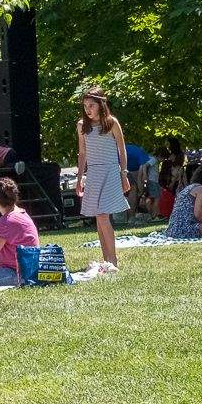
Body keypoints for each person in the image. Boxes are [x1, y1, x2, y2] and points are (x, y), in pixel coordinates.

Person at [75, 88, 132, 270]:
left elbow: (121, 150)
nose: (88, 109)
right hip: (93, 173)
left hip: (110, 172)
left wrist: (124, 174)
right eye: (85, 106)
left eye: (91, 105)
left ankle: (113, 260)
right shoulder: (82, 125)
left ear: (101, 104)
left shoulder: (111, 123)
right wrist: (79, 178)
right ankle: (106, 259)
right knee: (99, 218)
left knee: (102, 215)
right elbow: (82, 153)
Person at [124, 140, 158, 210]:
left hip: (114, 166)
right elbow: (141, 174)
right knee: (133, 189)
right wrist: (141, 189)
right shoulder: (142, 154)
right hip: (119, 167)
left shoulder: (132, 149)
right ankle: (131, 216)